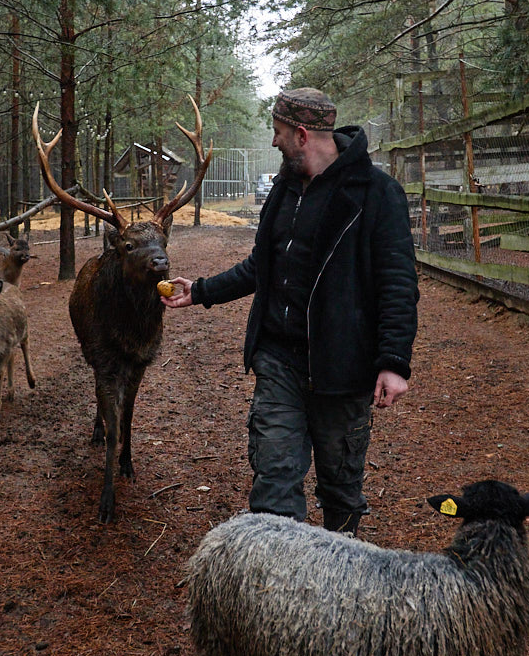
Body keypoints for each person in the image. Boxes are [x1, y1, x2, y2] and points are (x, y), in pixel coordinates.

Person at [162, 87, 418, 536]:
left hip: (344, 367)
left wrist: (394, 361)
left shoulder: (377, 194)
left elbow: (397, 283)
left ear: (302, 134)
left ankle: (340, 572)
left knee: (341, 491)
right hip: (279, 359)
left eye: (278, 133)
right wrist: (201, 291)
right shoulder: (284, 187)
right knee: (274, 487)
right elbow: (262, 265)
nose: (273, 143)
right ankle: (279, 590)